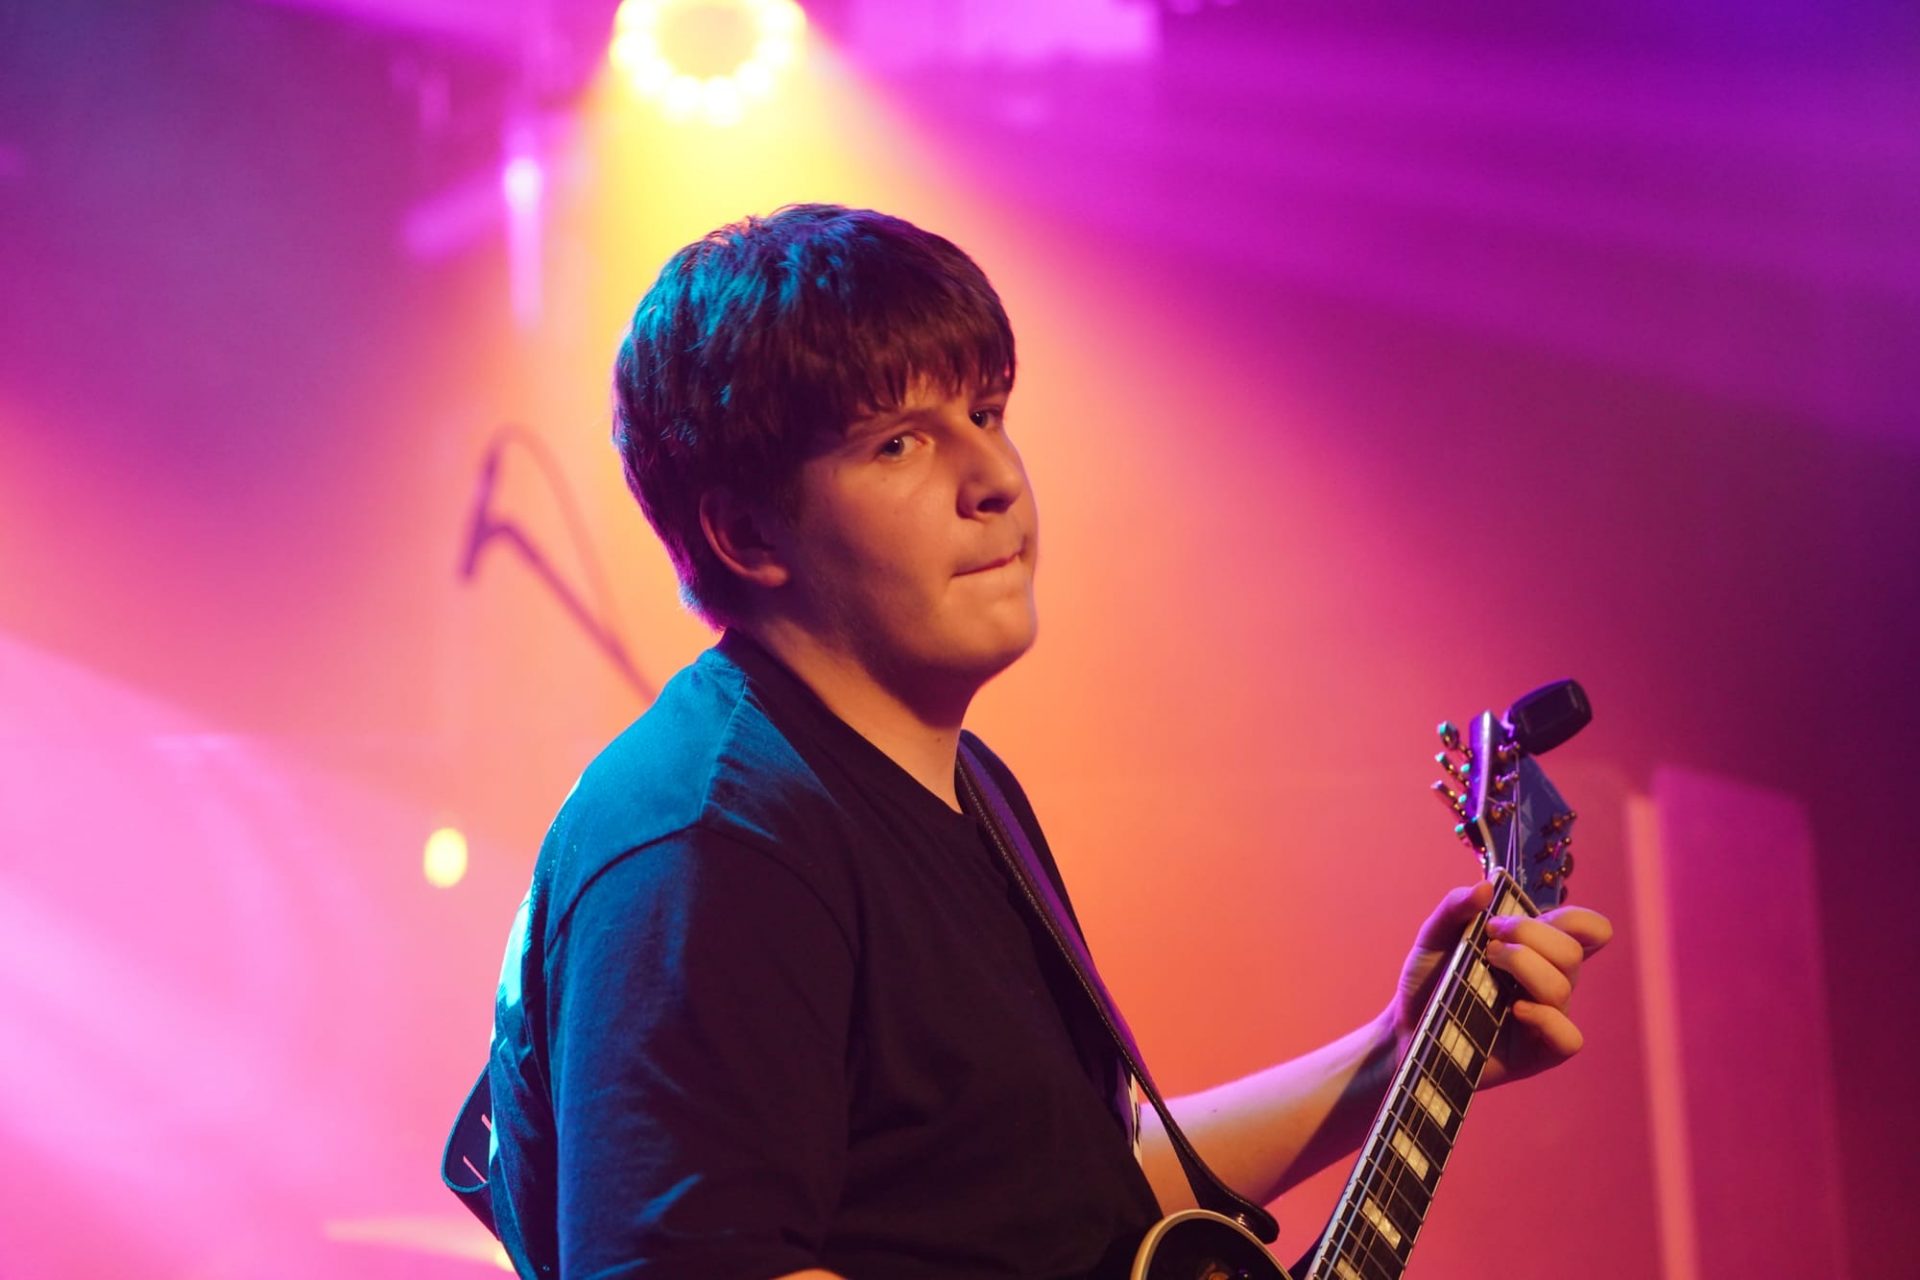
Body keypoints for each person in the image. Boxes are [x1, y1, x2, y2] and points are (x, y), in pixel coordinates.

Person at [478, 204, 1611, 1280]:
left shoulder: (967, 785)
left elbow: (1070, 1206)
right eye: (898, 444)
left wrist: (1399, 1056)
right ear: (744, 532)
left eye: (987, 413)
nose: (994, 480)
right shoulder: (711, 841)